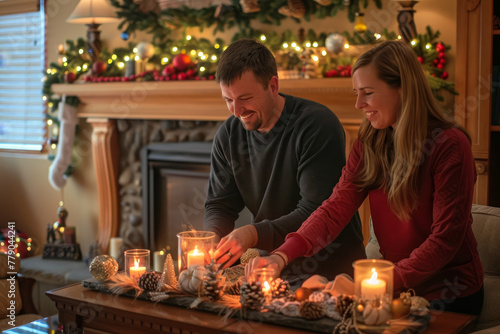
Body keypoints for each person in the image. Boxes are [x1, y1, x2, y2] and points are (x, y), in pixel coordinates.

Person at [247, 40, 484, 316]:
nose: (359, 104)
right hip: (390, 288)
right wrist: (281, 255)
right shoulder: (370, 142)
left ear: (403, 89)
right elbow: (336, 208)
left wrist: (374, 285)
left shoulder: (450, 145)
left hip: (448, 292)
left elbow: (444, 240)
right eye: (356, 93)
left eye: (368, 93)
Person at [203, 38, 366, 283]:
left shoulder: (316, 126)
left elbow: (315, 212)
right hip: (271, 270)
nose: (236, 111)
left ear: (273, 85)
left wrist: (252, 234)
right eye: (228, 100)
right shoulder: (228, 134)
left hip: (330, 273)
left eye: (245, 98)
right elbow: (219, 205)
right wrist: (212, 239)